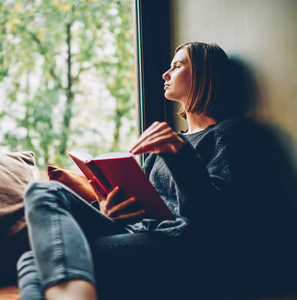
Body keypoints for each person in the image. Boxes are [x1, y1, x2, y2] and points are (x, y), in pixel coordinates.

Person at [16, 42, 294, 299]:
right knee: (43, 193)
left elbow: (214, 220)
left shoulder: (231, 133)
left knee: (38, 260)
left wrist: (181, 155)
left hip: (186, 249)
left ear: (203, 74)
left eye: (177, 65)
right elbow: (146, 209)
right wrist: (109, 211)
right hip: (142, 234)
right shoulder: (163, 146)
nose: (165, 74)